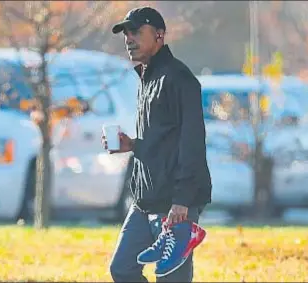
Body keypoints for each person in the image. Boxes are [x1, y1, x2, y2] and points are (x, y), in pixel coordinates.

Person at [102, 6, 212, 282]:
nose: (129, 39)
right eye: (126, 34)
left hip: (175, 203)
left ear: (159, 35)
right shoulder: (146, 77)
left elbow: (192, 143)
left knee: (171, 279)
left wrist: (183, 202)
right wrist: (132, 145)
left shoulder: (180, 79)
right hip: (144, 201)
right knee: (122, 269)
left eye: (137, 32)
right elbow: (163, 141)